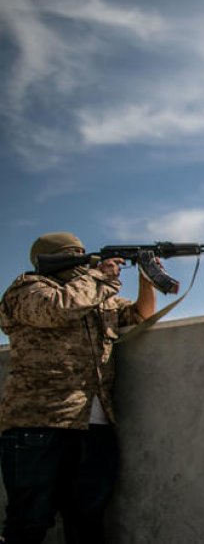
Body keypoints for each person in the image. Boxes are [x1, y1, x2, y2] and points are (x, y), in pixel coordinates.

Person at [0, 232, 157, 544]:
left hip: (93, 426)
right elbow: (58, 309)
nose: (84, 261)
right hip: (39, 423)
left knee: (86, 522)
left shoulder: (97, 296)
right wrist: (100, 276)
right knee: (28, 522)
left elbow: (140, 315)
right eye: (75, 254)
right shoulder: (27, 288)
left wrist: (146, 275)